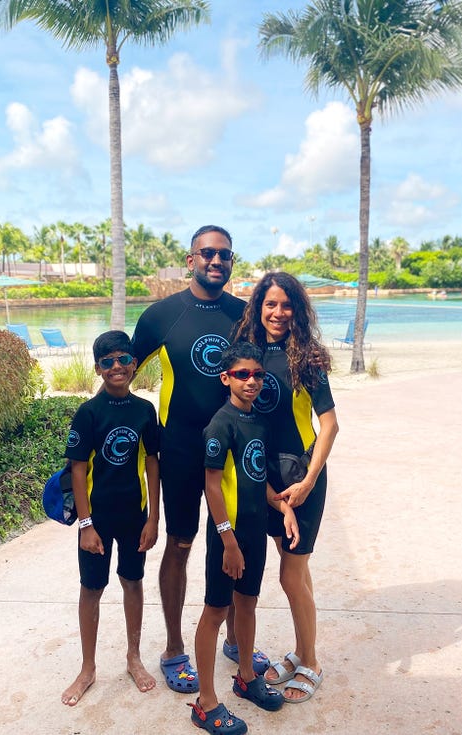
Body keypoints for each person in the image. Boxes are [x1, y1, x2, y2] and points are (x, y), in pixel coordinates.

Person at [131, 225, 268, 694]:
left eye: (225, 255)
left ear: (232, 262)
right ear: (190, 259)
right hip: (183, 448)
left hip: (235, 447)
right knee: (183, 542)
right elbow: (120, 374)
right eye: (207, 253)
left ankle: (233, 638)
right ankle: (173, 648)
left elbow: (264, 368)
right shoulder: (160, 316)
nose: (216, 261)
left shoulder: (244, 314)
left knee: (236, 536)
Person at [232, 271, 339, 704]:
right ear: (259, 307)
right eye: (270, 304)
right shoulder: (249, 355)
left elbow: (329, 425)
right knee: (297, 569)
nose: (278, 312)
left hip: (303, 479)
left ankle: (311, 661)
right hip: (268, 480)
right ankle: (300, 650)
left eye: (286, 304)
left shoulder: (307, 357)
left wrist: (309, 480)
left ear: (297, 309)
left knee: (291, 576)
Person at [189, 341, 297, 734]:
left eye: (257, 375)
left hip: (252, 530)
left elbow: (256, 477)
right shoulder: (221, 424)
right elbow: (212, 486)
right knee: (216, 612)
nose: (251, 381)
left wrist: (280, 505)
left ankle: (247, 676)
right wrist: (228, 540)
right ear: (226, 378)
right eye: (242, 374)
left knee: (248, 605)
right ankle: (205, 702)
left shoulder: (257, 422)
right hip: (227, 536)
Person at [59, 330, 161, 706]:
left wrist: (154, 518)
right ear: (98, 369)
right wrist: (85, 525)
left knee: (132, 582)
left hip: (134, 515)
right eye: (107, 362)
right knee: (92, 588)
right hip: (97, 520)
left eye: (123, 359)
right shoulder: (88, 413)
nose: (116, 367)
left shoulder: (144, 410)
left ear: (134, 363)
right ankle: (88, 668)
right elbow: (77, 469)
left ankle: (134, 657)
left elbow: (152, 462)